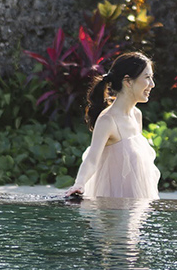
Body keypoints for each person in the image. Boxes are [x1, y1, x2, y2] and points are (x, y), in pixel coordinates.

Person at [64, 51, 161, 201]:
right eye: (147, 77)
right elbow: (92, 159)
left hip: (135, 202)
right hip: (112, 205)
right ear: (128, 81)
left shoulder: (136, 115)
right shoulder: (107, 121)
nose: (152, 84)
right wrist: (79, 183)